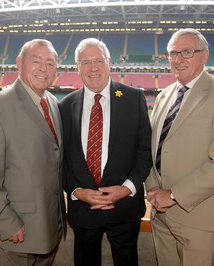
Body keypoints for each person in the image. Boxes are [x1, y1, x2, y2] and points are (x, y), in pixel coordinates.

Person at [145, 28, 214, 266]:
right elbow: (151, 149)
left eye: (187, 52)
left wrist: (173, 195)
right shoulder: (164, 95)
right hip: (159, 214)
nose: (178, 59)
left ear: (205, 54)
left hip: (195, 216)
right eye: (172, 53)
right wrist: (152, 189)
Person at [0, 39, 65, 266]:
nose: (44, 68)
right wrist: (6, 224)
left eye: (50, 63)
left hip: (50, 227)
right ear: (19, 63)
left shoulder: (52, 102)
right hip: (19, 231)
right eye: (36, 61)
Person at [58, 38, 152, 266]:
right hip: (83, 209)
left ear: (109, 62)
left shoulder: (133, 97)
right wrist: (77, 191)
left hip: (124, 207)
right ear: (77, 68)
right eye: (86, 62)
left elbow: (145, 150)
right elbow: (62, 161)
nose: (93, 68)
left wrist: (126, 188)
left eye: (99, 60)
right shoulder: (65, 106)